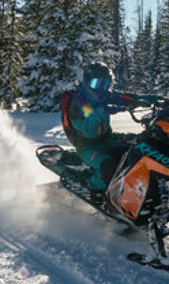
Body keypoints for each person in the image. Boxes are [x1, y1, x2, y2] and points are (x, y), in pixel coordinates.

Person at [61, 62, 160, 194]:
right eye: (97, 84)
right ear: (87, 82)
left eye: (105, 84)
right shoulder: (80, 100)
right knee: (108, 166)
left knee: (141, 142)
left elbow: (124, 97)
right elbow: (88, 127)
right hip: (88, 146)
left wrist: (148, 99)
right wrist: (104, 110)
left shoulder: (104, 95)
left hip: (106, 138)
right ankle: (94, 190)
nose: (101, 88)